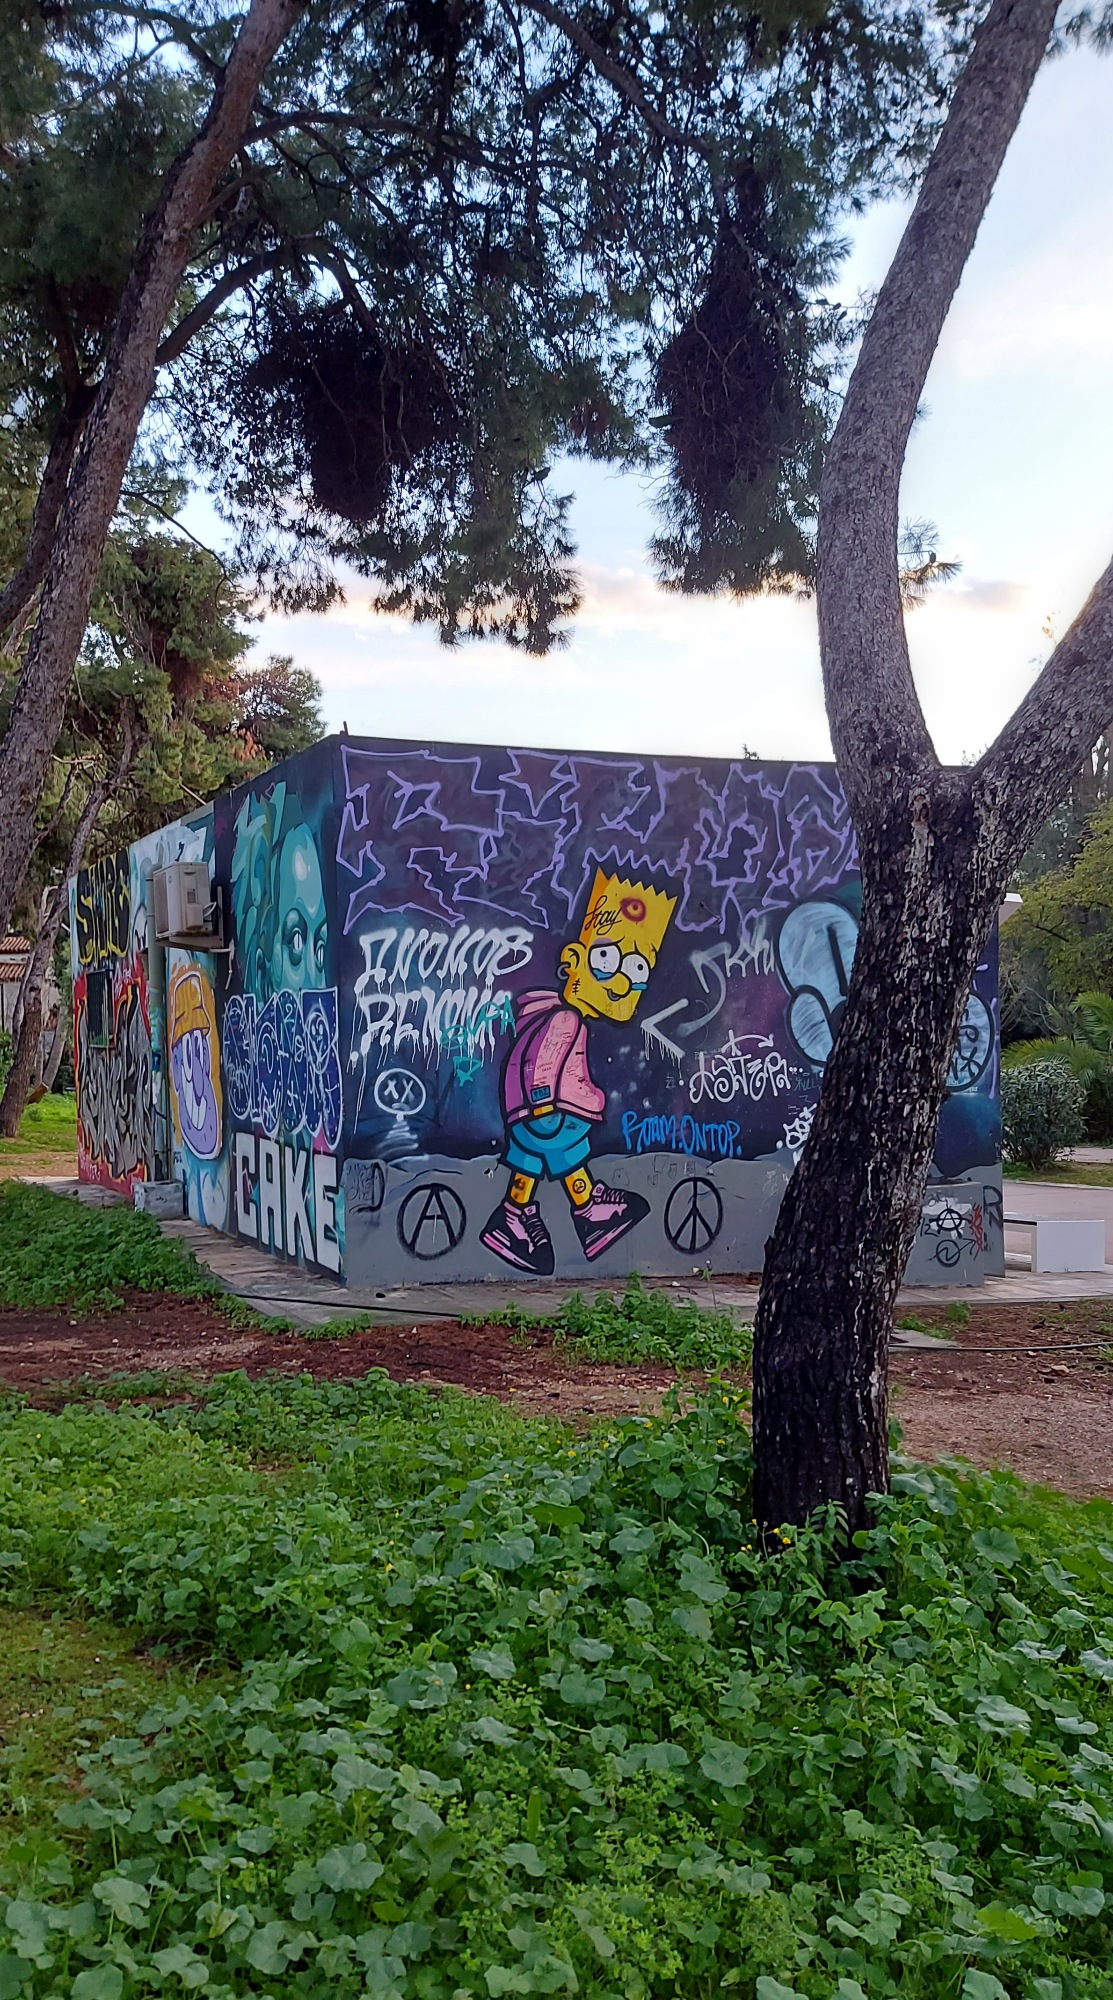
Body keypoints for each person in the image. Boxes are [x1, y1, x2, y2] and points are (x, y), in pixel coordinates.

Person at [480, 868, 676, 1275]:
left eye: (637, 971)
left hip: (528, 1114)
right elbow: (542, 1066)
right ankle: (588, 1211)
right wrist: (547, 1105)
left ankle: (513, 1215)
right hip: (548, 1111)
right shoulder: (565, 1019)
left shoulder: (549, 1014)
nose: (621, 983)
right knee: (566, 1151)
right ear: (573, 960)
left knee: (529, 1161)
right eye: (606, 960)